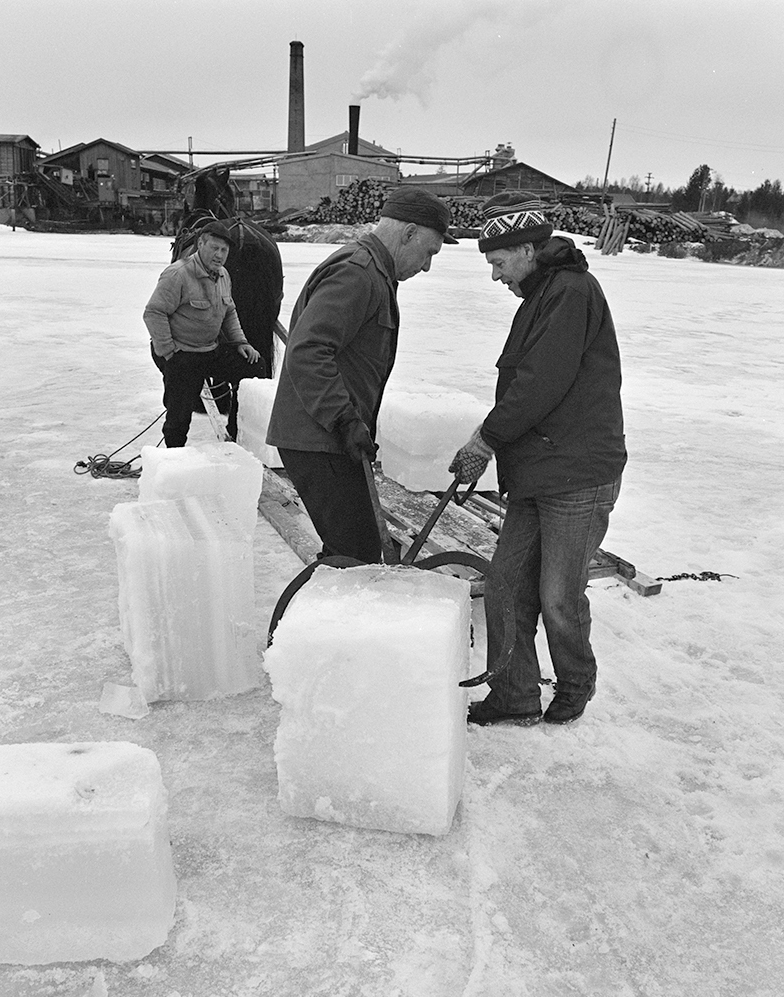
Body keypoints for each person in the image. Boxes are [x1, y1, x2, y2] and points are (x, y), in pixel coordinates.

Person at [450, 192, 627, 726]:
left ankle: (576, 683)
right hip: (539, 470)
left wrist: (484, 441)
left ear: (527, 249)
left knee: (558, 596)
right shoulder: (544, 293)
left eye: (500, 262)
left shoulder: (570, 292)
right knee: (505, 586)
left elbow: (538, 384)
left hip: (577, 474)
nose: (496, 274)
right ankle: (515, 694)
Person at [266, 187, 457, 563]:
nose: (427, 265)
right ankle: (324, 620)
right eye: (430, 252)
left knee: (354, 550)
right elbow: (308, 351)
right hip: (318, 439)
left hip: (329, 438)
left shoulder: (373, 271)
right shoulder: (358, 273)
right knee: (354, 556)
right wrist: (343, 420)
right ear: (408, 234)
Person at [143, 220, 260, 447]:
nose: (219, 255)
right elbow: (153, 313)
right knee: (181, 407)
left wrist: (240, 342)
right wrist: (170, 353)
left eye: (224, 250)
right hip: (180, 351)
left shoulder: (223, 275)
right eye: (214, 248)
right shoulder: (177, 274)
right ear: (200, 244)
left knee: (254, 366)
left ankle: (234, 434)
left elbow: (229, 311)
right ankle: (174, 456)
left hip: (209, 349)